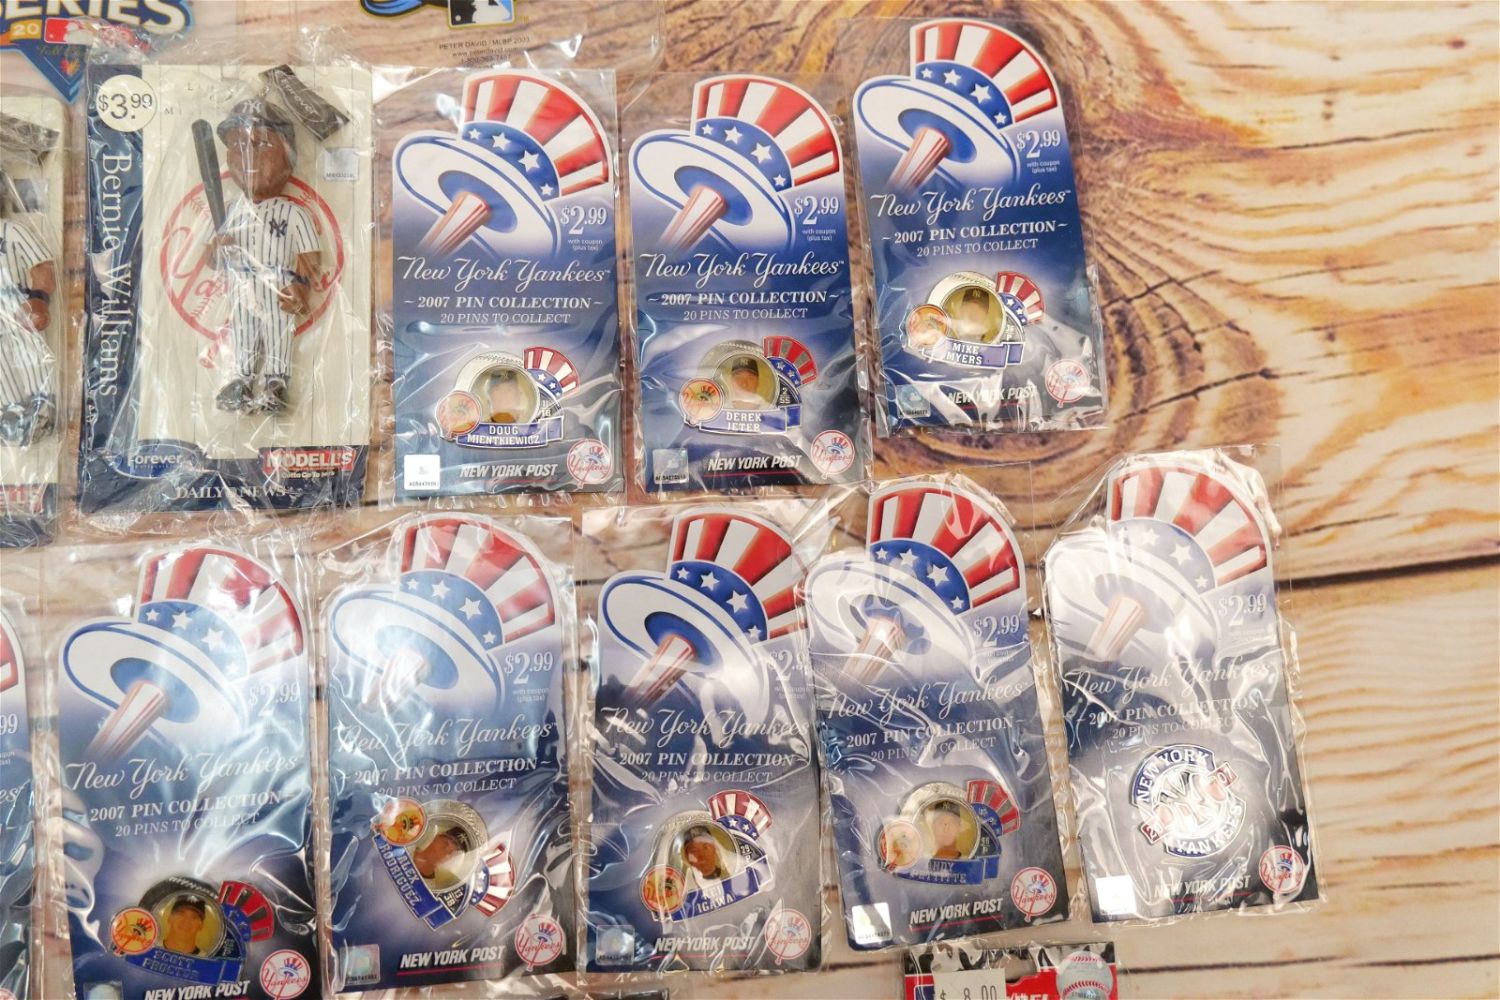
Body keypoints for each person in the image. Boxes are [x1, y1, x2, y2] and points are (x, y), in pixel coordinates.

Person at [203, 99, 321, 415]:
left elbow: (309, 254)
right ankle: (242, 380)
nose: (248, 155)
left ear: (288, 156)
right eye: (238, 145)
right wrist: (217, 250)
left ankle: (275, 383)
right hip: (241, 281)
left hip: (279, 282)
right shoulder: (229, 212)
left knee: (277, 331)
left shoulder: (293, 212)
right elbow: (212, 258)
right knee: (243, 330)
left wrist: (301, 284)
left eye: (261, 144)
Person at [0, 210, 55, 443]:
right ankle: (10, 415)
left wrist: (39, 298)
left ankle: (42, 409)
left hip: (17, 307)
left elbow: (42, 267)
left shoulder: (10, 230)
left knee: (30, 356)